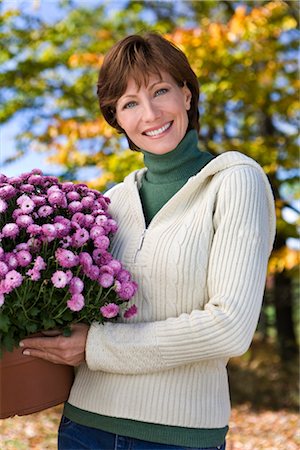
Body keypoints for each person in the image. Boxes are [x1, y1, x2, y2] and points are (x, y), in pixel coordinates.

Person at [20, 32, 276, 450]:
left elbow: (229, 328)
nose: (151, 113)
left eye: (161, 91)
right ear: (116, 118)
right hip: (84, 427)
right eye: (130, 103)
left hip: (177, 437)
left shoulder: (235, 182)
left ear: (187, 95)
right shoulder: (111, 201)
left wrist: (95, 346)